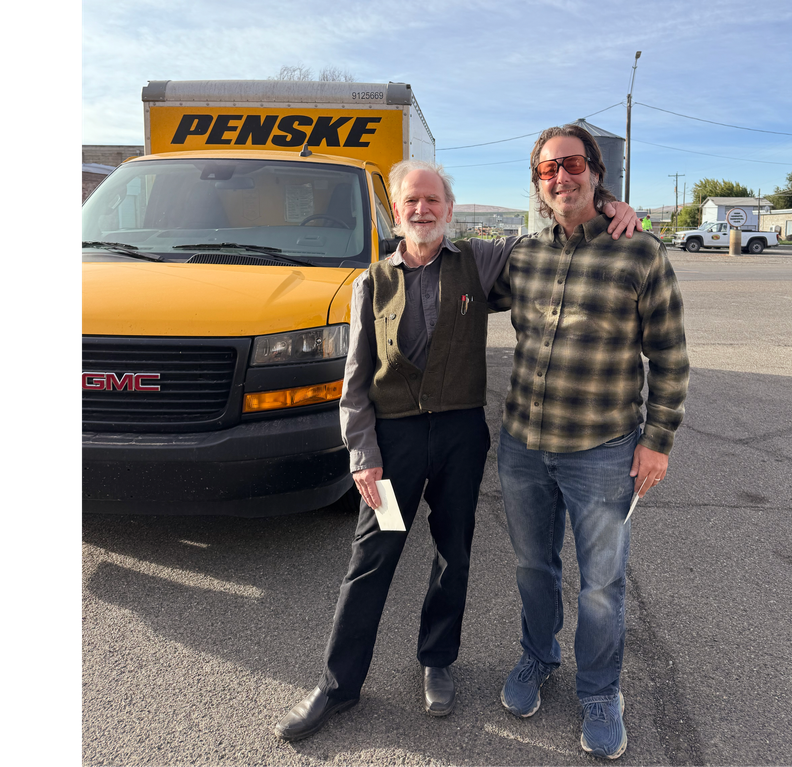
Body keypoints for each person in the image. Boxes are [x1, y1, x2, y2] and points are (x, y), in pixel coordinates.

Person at [274, 159, 641, 742]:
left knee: (453, 552)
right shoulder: (372, 281)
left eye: (432, 200)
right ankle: (338, 685)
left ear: (449, 208)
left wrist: (610, 204)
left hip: (458, 442)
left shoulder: (482, 260)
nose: (422, 210)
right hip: (392, 447)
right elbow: (354, 381)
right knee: (373, 558)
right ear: (396, 212)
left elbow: (558, 227)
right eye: (410, 202)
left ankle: (437, 660)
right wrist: (363, 455)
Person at [490, 125, 689, 760]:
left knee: (602, 583)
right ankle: (537, 657)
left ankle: (601, 690)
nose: (561, 178)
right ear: (537, 184)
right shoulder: (522, 254)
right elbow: (450, 280)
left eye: (572, 165)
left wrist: (657, 440)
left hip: (603, 449)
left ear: (597, 172)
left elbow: (671, 357)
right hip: (523, 444)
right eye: (548, 170)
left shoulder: (642, 253)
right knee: (532, 566)